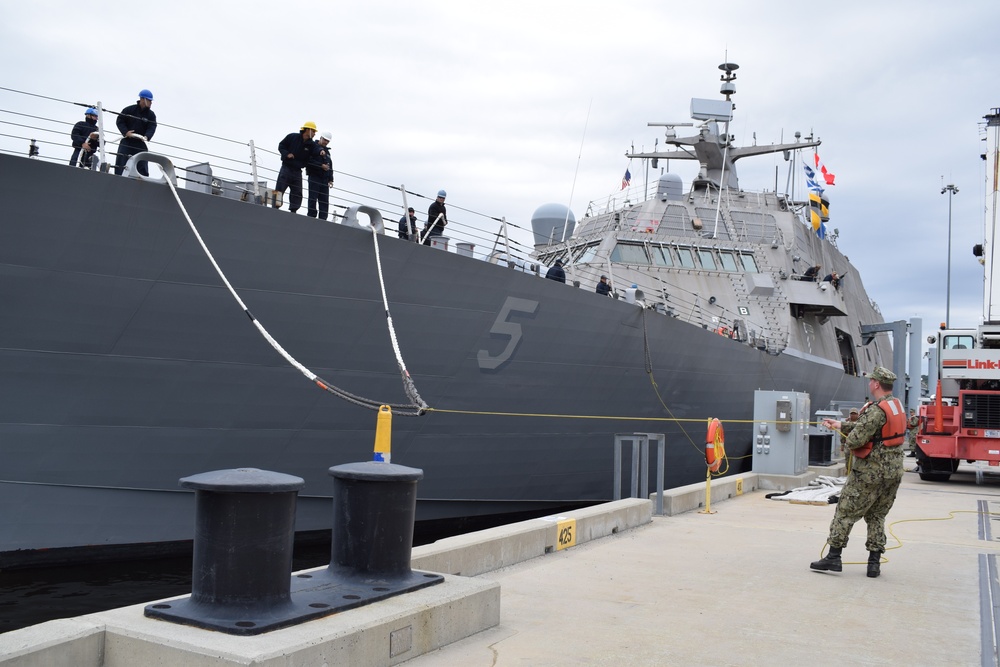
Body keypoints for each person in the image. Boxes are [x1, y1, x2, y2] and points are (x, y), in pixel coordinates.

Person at [813, 366, 906, 578]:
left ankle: (834, 557)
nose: (869, 382)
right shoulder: (895, 405)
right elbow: (876, 431)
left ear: (876, 384)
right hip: (893, 473)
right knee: (877, 515)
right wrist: (841, 424)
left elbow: (857, 439)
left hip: (870, 473)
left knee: (845, 511)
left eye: (871, 380)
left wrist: (846, 433)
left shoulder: (875, 410)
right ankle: (874, 564)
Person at [274, 122, 317, 214]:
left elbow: (316, 151)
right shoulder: (292, 137)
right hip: (286, 168)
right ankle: (274, 208)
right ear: (307, 130)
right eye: (313, 131)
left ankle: (294, 211)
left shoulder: (311, 145)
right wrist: (286, 154)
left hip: (297, 171)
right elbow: (281, 146)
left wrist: (321, 151)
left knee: (297, 192)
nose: (314, 133)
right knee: (279, 188)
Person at [114, 89, 156, 176]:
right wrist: (125, 132)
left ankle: (142, 183)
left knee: (142, 165)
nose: (151, 103)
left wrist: (147, 137)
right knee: (121, 162)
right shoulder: (129, 110)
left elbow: (152, 127)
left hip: (141, 143)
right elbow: (120, 120)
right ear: (142, 99)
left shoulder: (151, 115)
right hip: (127, 141)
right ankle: (118, 179)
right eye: (149, 100)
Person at [306, 131, 334, 220]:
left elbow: (330, 165)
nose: (326, 142)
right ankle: (311, 217)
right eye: (325, 140)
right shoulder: (312, 147)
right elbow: (308, 161)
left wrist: (330, 179)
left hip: (324, 179)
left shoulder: (327, 152)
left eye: (327, 141)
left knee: (324, 201)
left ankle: (323, 219)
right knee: (313, 198)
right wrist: (320, 166)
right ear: (321, 138)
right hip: (314, 176)